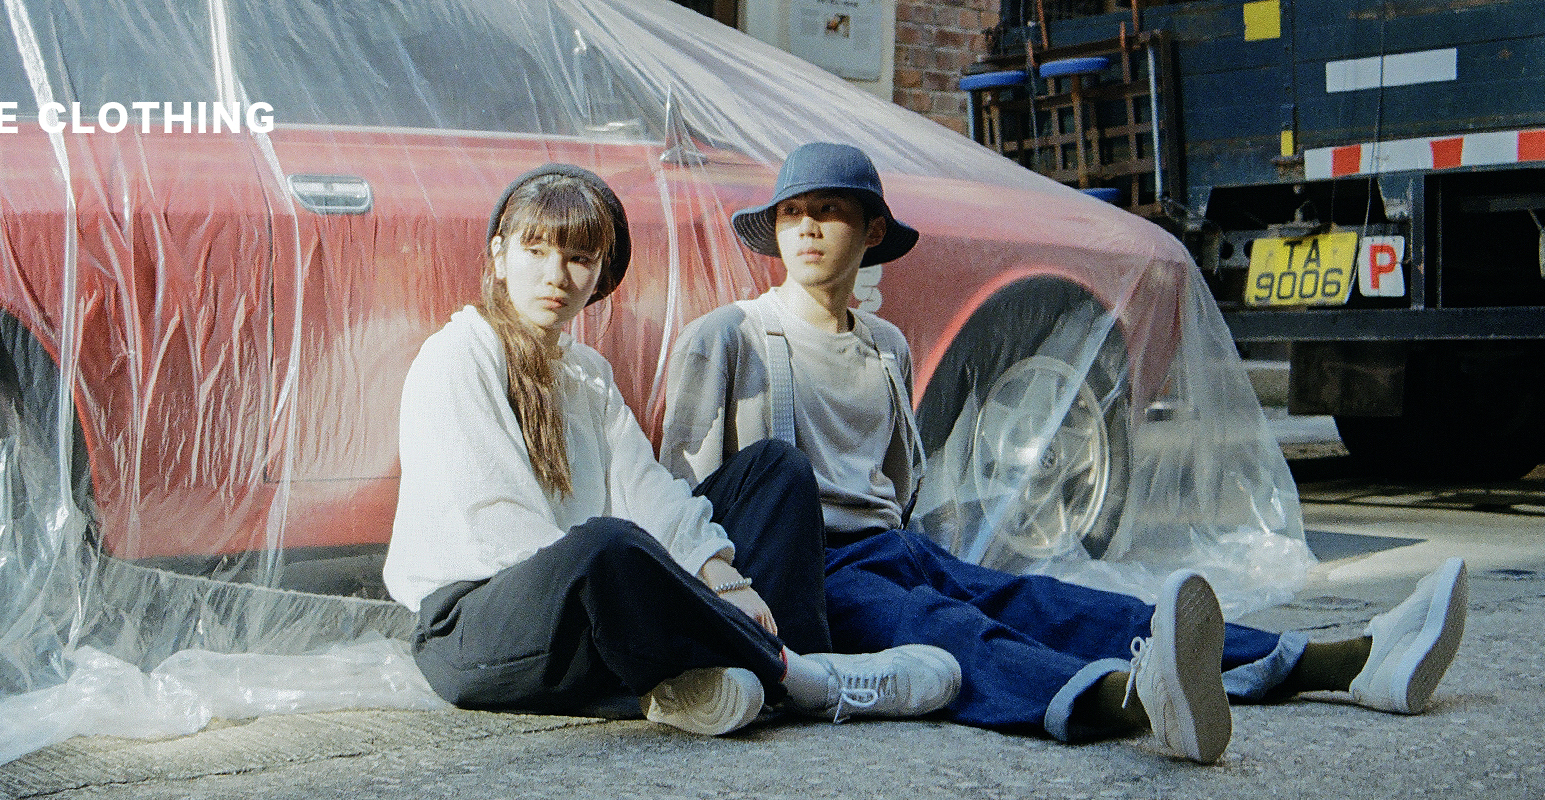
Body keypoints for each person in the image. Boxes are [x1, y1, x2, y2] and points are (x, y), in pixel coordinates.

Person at [660, 142, 1470, 762]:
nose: (806, 228)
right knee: (951, 630)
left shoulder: (886, 347)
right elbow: (682, 499)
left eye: (829, 210)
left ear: (872, 231)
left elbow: (897, 484)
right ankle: (1137, 703)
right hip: (808, 575)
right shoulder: (732, 337)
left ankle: (1346, 661)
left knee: (1053, 603)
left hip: (892, 549)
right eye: (792, 213)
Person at [381, 163, 965, 737]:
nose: (556, 276)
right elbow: (501, 533)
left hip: (596, 611)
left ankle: (753, 670)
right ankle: (804, 679)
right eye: (535, 251)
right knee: (606, 547)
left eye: (579, 258)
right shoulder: (459, 355)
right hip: (479, 626)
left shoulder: (587, 373)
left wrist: (717, 569)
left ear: (600, 275)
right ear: (499, 256)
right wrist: (673, 591)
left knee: (776, 470)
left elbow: (649, 490)